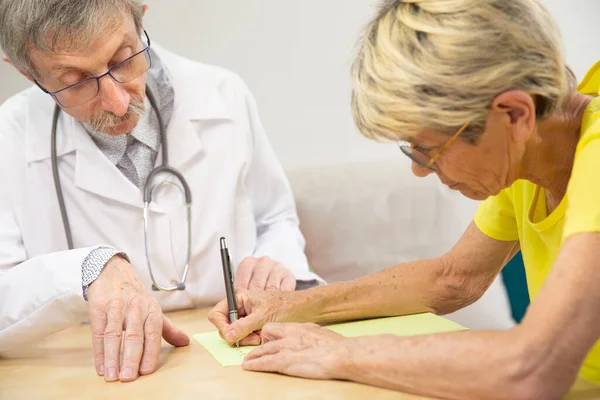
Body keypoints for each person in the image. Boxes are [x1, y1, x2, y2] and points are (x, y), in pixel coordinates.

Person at [209, 0, 600, 398]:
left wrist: (344, 354)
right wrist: (290, 305)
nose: (420, 169)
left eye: (428, 147)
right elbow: (454, 279)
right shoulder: (529, 153)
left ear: (514, 114)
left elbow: (532, 367)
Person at [0, 0, 322, 383]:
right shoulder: (11, 136)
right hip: (96, 372)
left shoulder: (224, 94)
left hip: (237, 356)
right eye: (75, 82)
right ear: (26, 72)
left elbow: (276, 219)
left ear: (140, 20)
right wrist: (85, 272)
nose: (118, 103)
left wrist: (274, 262)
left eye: (123, 60)